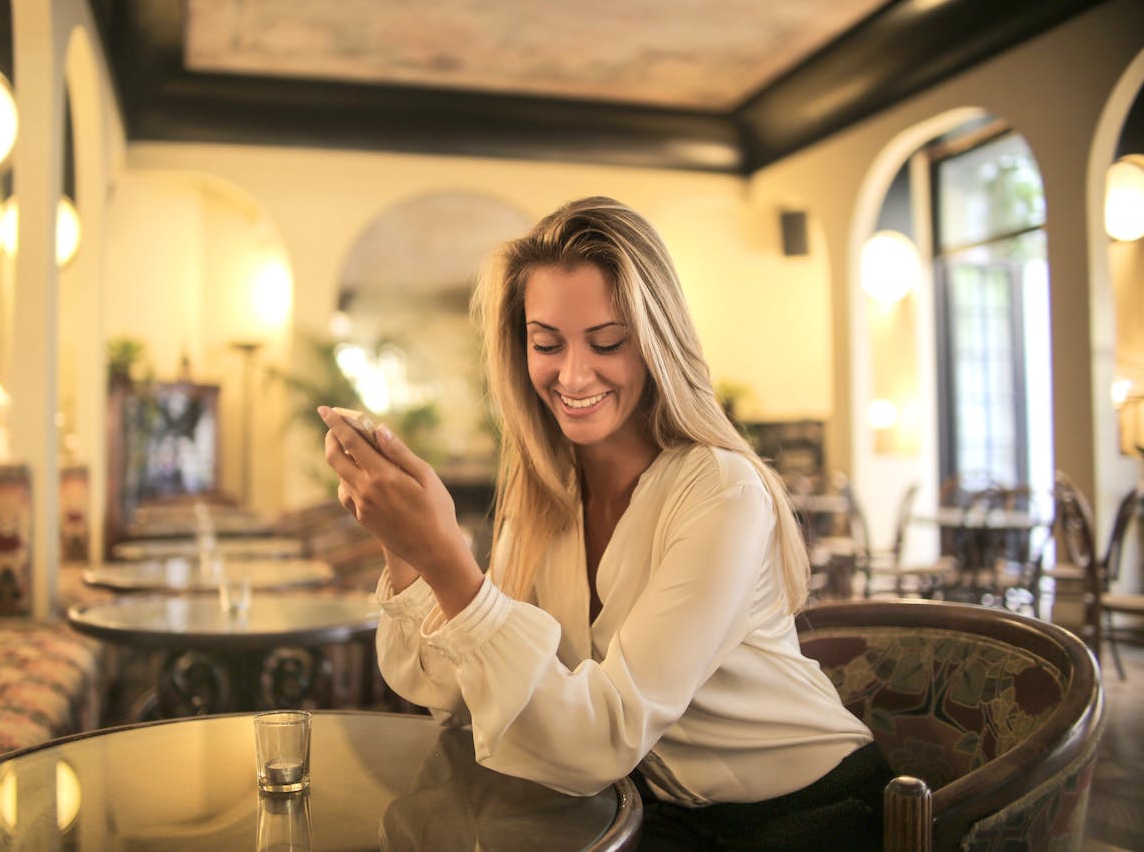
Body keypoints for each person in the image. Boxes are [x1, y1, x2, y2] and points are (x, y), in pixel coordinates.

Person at [319, 196, 892, 850]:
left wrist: (447, 555)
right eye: (546, 342)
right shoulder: (545, 500)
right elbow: (455, 694)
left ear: (655, 344)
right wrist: (405, 547)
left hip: (806, 815)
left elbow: (602, 736)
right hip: (653, 808)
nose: (572, 373)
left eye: (607, 342)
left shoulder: (720, 492)